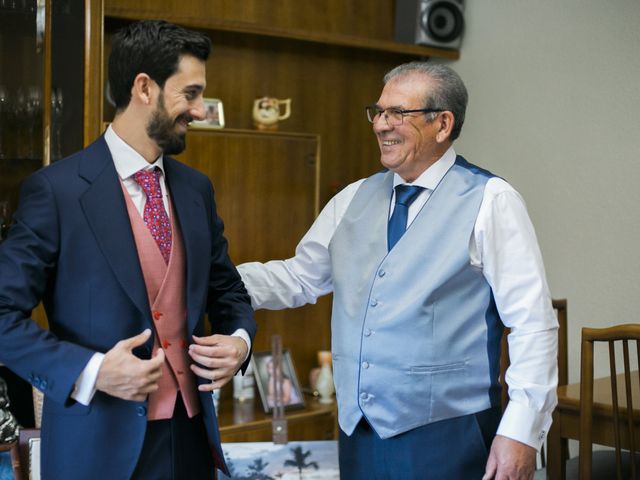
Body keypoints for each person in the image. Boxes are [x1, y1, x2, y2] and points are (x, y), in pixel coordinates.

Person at [237, 62, 558, 480]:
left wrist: (521, 432)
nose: (380, 125)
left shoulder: (492, 199)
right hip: (359, 433)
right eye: (377, 111)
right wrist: (206, 276)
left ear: (442, 124)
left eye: (397, 113)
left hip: (449, 434)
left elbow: (533, 325)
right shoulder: (353, 197)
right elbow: (300, 277)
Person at [0, 20, 256, 480]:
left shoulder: (196, 189)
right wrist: (92, 371)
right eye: (190, 93)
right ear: (144, 87)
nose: (199, 111)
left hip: (192, 442)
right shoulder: (55, 192)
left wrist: (240, 341)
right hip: (95, 447)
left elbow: (228, 291)